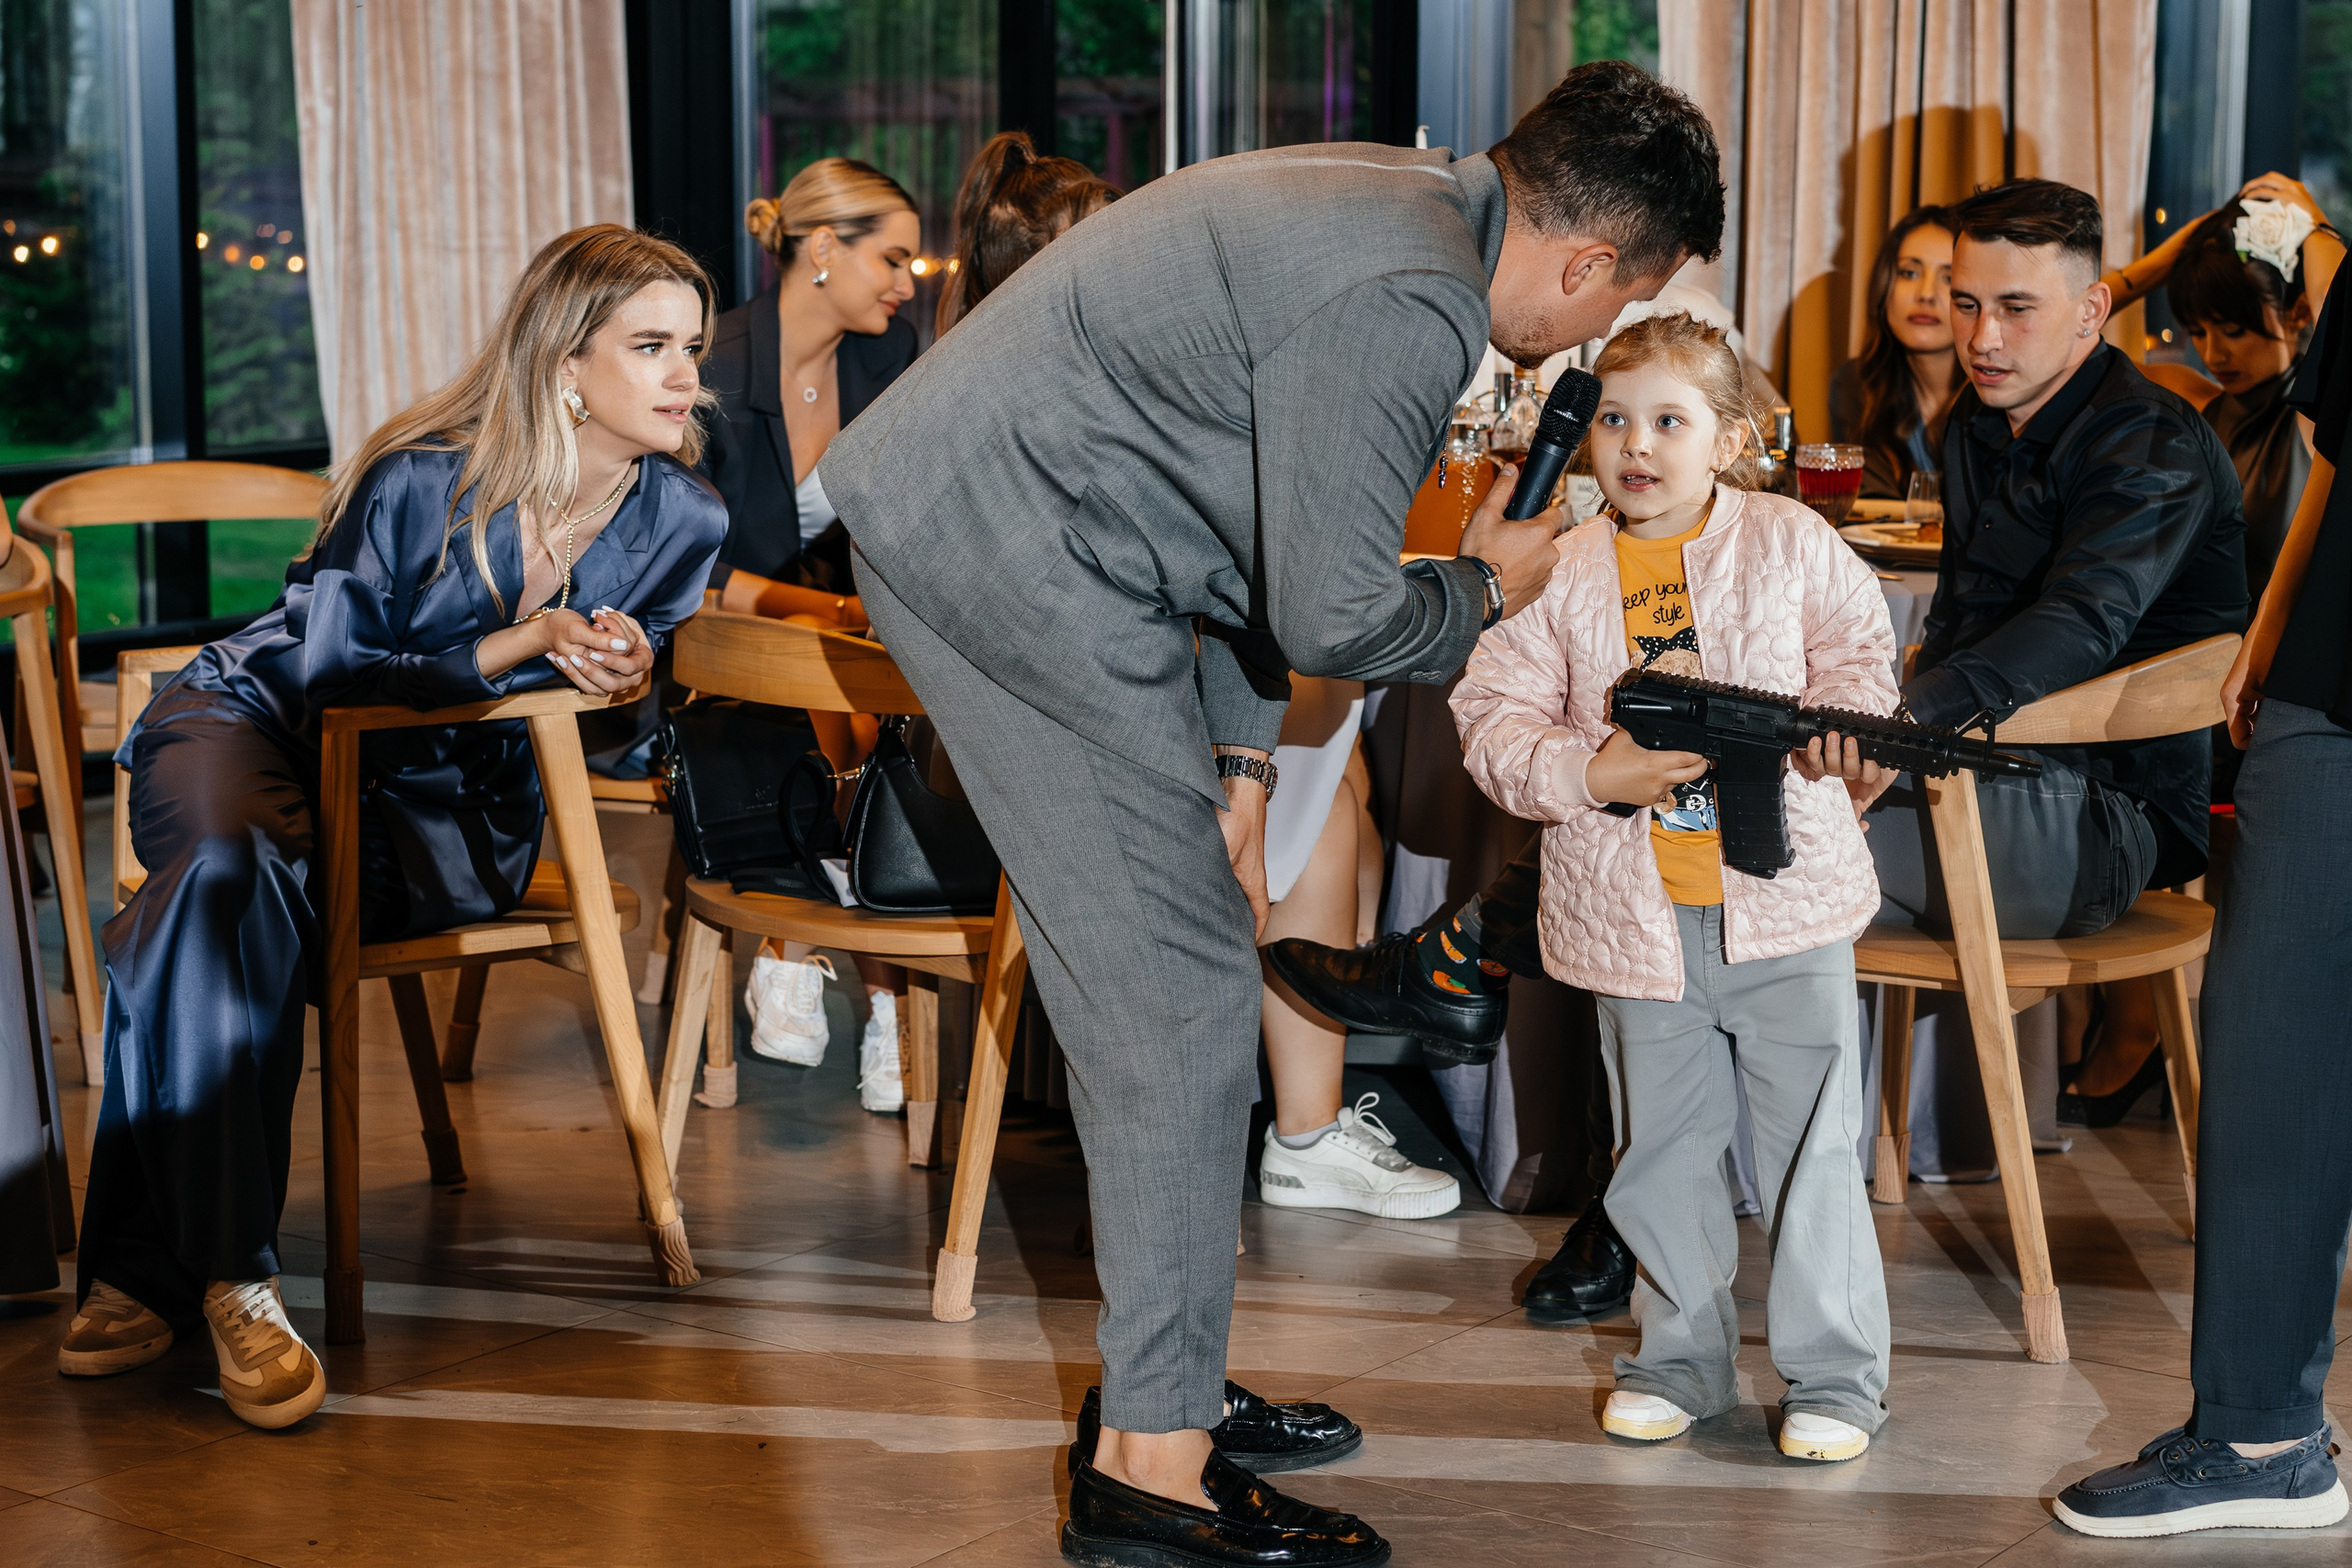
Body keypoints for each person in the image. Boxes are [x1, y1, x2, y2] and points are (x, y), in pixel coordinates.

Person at [821, 60, 1724, 1564]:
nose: (1599, 337)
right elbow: (1331, 604)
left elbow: (1238, 513)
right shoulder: (1408, 296)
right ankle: (1149, 1476)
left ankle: (1165, 1379)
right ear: (1584, 263)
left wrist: (1241, 776)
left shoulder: (1407, 204)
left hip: (1063, 541)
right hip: (1002, 552)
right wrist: (1488, 588)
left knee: (1200, 962)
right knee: (1178, 999)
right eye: (1618, 305)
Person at [57, 226, 729, 1429]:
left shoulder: (687, 515)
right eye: (650, 346)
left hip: (446, 803)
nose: (684, 373)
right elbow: (325, 663)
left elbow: (625, 724)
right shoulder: (427, 474)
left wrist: (623, 680)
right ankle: (239, 1284)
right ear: (565, 362)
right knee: (225, 869)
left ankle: (139, 1267)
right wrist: (515, 644)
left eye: (690, 346)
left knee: (210, 909)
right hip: (253, 726)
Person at [1453, 311, 1898, 1461]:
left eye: (1667, 420)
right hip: (1632, 919)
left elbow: (1859, 652)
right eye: (1611, 418)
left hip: (1784, 906)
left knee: (1811, 1150)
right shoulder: (1559, 566)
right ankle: (1679, 1358)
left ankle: (1837, 1381)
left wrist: (1847, 734)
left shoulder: (1789, 540)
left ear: (1731, 440)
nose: (1634, 445)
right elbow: (1490, 715)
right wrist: (1584, 770)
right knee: (1659, 1153)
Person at [2050, 258, 2352, 1542]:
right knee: (2272, 1048)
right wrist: (2276, 623)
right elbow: (2337, 453)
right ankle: (2258, 1430)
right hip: (2335, 688)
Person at [2060, 177, 2343, 1120]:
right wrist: (2171, 259)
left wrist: (2302, 230)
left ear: (2295, 314)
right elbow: (2070, 328)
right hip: (2196, 689)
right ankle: (2125, 1015)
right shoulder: (2192, 400)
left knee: (2104, 744)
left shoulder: (2316, 414)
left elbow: (2340, 315)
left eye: (2236, 329)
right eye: (2202, 330)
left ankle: (2136, 1023)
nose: (2215, 353)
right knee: (2079, 730)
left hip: (2263, 706)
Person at [701, 156, 921, 1109]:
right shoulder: (711, 365)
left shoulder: (890, 355)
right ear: (824, 248)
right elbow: (678, 572)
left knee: (867, 705)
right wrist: (829, 613)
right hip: (712, 653)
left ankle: (800, 941)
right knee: (853, 706)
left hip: (842, 654)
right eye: (896, 259)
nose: (908, 285)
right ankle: (885, 998)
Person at [1828, 206, 1961, 500]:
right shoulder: (1857, 383)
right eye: (1909, 272)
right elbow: (1868, 509)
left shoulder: (1997, 392)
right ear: (1884, 286)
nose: (1926, 293)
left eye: (1949, 277)